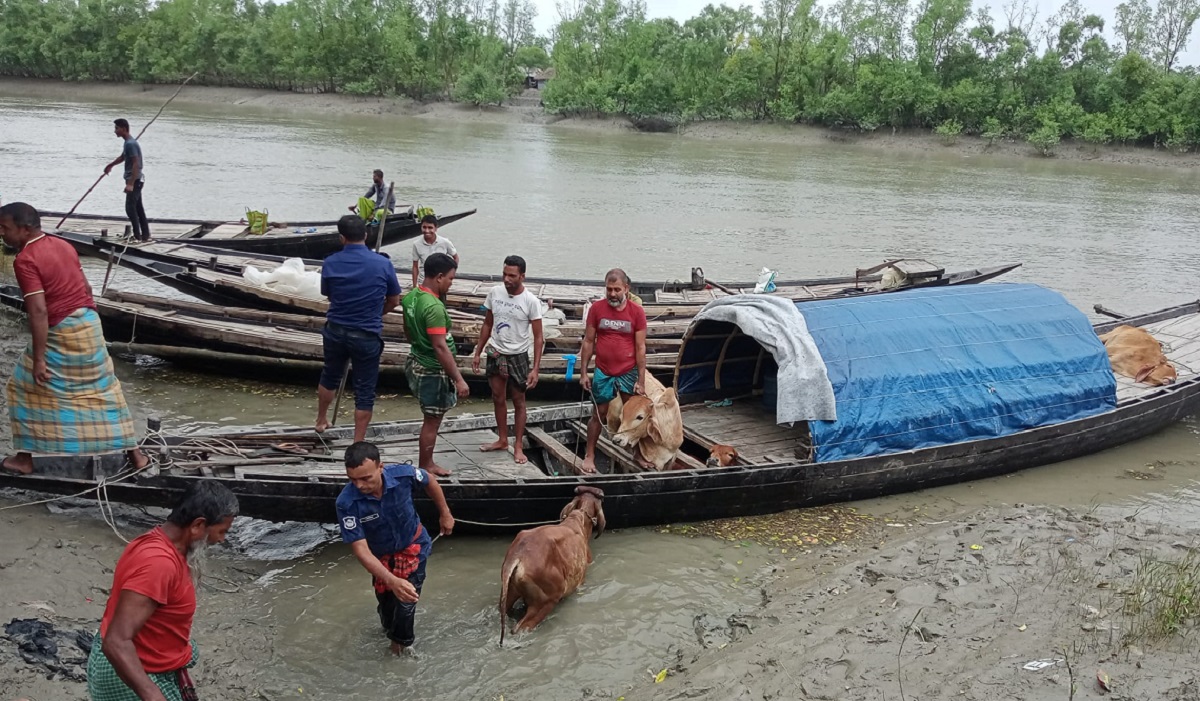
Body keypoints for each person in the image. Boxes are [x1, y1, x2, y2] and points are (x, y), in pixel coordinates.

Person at [0, 203, 147, 476]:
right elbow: (87, 288)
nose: (2, 234)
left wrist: (40, 359)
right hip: (88, 324)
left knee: (21, 386)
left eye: (5, 228)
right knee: (103, 388)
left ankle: (24, 459)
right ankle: (135, 454)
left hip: (62, 329)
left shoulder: (25, 259)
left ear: (25, 229)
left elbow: (39, 311)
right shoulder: (63, 245)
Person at [87, 480, 239, 701]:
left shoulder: (161, 545)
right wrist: (152, 695)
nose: (221, 540)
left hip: (144, 665)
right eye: (221, 531)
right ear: (197, 525)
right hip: (133, 673)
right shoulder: (158, 564)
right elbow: (116, 641)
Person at [337, 441, 454, 657]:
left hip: (413, 547)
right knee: (387, 603)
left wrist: (445, 513)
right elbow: (361, 550)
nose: (360, 485)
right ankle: (388, 628)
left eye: (366, 478)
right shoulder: (346, 503)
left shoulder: (403, 475)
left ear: (380, 467)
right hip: (381, 557)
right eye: (353, 480)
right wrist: (391, 580)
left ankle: (400, 648)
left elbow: (430, 480)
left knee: (407, 600)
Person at [315, 215, 402, 442]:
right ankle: (358, 441)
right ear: (366, 235)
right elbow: (394, 300)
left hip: (336, 329)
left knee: (329, 374)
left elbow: (328, 294)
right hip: (366, 333)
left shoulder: (331, 262)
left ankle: (321, 419)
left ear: (341, 238)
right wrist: (376, 312)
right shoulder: (383, 263)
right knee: (365, 389)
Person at [401, 252, 470, 477]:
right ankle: (426, 463)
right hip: (433, 368)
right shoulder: (433, 307)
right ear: (439, 277)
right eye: (450, 278)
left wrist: (420, 345)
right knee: (432, 420)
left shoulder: (411, 297)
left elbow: (408, 332)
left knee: (430, 417)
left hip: (417, 358)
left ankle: (426, 461)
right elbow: (440, 347)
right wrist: (458, 379)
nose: (451, 283)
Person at [471, 255, 543, 464]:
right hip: (496, 351)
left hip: (518, 355)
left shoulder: (531, 301)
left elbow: (538, 337)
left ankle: (518, 445)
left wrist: (535, 368)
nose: (507, 279)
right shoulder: (495, 293)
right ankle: (502, 439)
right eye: (504, 274)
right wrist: (478, 352)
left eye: (512, 275)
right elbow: (487, 323)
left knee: (519, 401)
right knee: (497, 397)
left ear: (522, 276)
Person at [579, 268, 648, 474]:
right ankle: (589, 455)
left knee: (632, 413)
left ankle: (637, 453)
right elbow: (589, 341)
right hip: (603, 370)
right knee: (598, 413)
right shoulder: (597, 309)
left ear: (626, 289)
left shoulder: (637, 312)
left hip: (628, 370)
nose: (612, 294)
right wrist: (583, 372)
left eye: (617, 289)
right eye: (609, 289)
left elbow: (641, 348)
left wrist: (641, 380)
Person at [104, 118, 151, 242]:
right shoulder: (128, 143)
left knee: (130, 208)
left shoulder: (131, 143)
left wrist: (130, 184)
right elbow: (124, 157)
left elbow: (136, 164)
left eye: (117, 128)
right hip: (136, 180)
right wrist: (111, 165)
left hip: (135, 180)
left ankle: (137, 236)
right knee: (138, 208)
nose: (115, 131)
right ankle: (145, 235)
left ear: (124, 129)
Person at [410, 215, 457, 289]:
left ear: (436, 228)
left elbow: (456, 257)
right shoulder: (416, 244)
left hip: (440, 283)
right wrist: (414, 286)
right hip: (423, 282)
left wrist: (450, 276)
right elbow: (415, 266)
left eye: (430, 227)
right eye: (424, 227)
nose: (427, 231)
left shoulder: (445, 242)